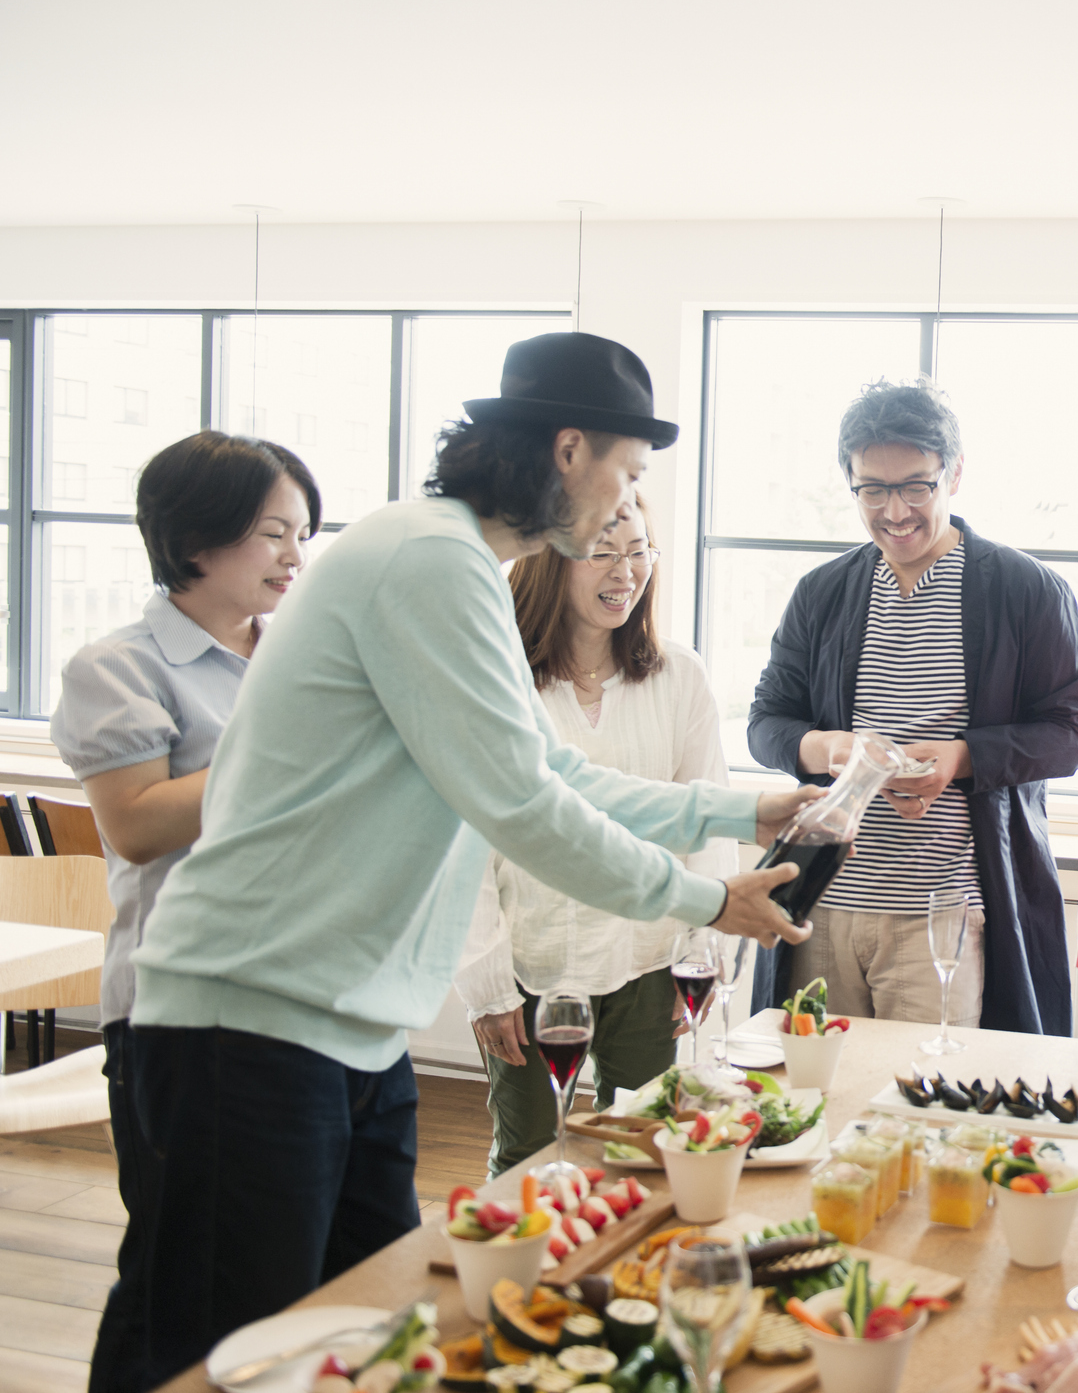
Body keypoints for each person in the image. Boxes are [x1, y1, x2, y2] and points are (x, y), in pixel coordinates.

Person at [123, 331, 819, 1387]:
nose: (621, 505)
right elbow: (520, 801)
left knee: (360, 1334)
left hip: (348, 1025)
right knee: (209, 1351)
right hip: (250, 1012)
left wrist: (745, 802)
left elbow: (553, 767)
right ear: (570, 448)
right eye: (626, 472)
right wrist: (706, 897)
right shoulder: (429, 558)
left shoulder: (461, 565)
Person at [49, 431, 320, 1393]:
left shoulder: (295, 657)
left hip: (296, 994)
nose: (296, 555)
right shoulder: (117, 667)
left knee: (275, 1271)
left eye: (302, 533)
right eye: (272, 533)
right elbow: (135, 825)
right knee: (175, 1267)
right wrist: (288, 750)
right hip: (176, 1006)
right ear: (197, 540)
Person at [749, 378, 1078, 1036]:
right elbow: (766, 722)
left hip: (948, 910)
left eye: (916, 486)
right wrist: (829, 750)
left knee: (929, 1111)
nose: (895, 510)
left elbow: (1073, 730)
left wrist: (962, 759)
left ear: (955, 474)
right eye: (872, 490)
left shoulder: (1026, 590)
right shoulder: (822, 593)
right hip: (823, 900)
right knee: (809, 1096)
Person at [455, 498, 737, 1176]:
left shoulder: (680, 676)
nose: (626, 572)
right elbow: (465, 845)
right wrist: (486, 984)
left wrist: (700, 948)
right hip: (530, 964)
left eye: (639, 551)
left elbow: (708, 817)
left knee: (647, 1150)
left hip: (648, 959)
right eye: (602, 553)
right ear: (550, 559)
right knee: (526, 1156)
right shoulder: (499, 682)